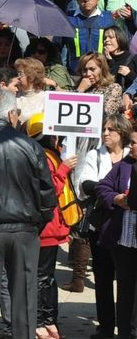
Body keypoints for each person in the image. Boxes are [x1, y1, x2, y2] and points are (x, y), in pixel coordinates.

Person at [0, 89, 56, 339]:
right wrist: (37, 224)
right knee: (25, 299)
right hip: (25, 229)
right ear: (12, 114)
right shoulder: (30, 145)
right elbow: (47, 193)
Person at [25, 114, 80, 339]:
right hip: (46, 229)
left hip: (54, 228)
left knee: (47, 278)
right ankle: (41, 323)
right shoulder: (44, 158)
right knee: (42, 277)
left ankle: (49, 321)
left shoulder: (49, 156)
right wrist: (64, 169)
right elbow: (47, 192)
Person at [78, 114, 130, 333]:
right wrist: (110, 190)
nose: (105, 133)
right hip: (101, 224)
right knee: (103, 276)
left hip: (127, 227)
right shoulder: (95, 155)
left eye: (111, 130)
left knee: (128, 278)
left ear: (122, 133)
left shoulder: (131, 155)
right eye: (104, 129)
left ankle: (127, 323)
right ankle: (106, 326)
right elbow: (85, 183)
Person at [96, 129, 137, 339]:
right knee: (125, 291)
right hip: (124, 240)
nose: (133, 147)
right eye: (132, 142)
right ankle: (124, 333)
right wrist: (116, 198)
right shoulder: (124, 166)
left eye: (136, 143)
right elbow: (103, 187)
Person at [65, 0, 117, 72]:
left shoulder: (108, 19)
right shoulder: (68, 19)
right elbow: (58, 48)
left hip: (102, 74)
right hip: (74, 74)